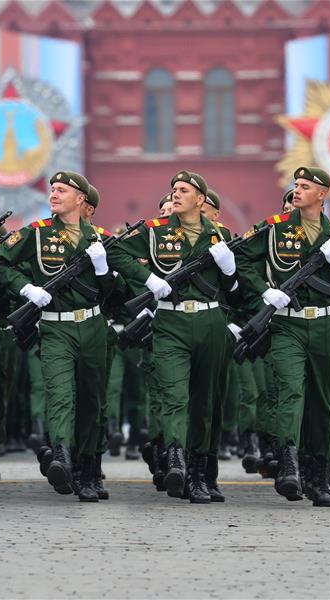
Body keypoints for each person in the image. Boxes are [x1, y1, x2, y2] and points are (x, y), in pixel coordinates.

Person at [110, 170, 239, 504]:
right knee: (173, 393)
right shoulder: (154, 232)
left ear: (200, 199)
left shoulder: (220, 235)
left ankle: (202, 474)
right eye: (173, 189)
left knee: (206, 399)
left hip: (210, 320)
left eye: (184, 190)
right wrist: (149, 278)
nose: (176, 194)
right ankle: (177, 458)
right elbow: (116, 252)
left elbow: (236, 289)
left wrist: (230, 269)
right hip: (169, 320)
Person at [235, 166, 330, 508]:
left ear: (322, 194)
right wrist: (264, 292)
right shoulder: (274, 229)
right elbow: (242, 261)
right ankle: (289, 464)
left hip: (324, 325)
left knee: (324, 402)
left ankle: (322, 476)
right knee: (290, 392)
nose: (298, 190)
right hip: (287, 324)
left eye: (306, 186)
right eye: (296, 185)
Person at [0, 170, 113, 502]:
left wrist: (104, 269)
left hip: (92, 325)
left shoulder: (100, 239)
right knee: (59, 393)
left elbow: (118, 292)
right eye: (52, 189)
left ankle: (89, 471)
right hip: (55, 325)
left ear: (80, 199)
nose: (53, 195)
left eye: (62, 190)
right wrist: (26, 288)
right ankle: (61, 454)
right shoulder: (36, 233)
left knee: (91, 399)